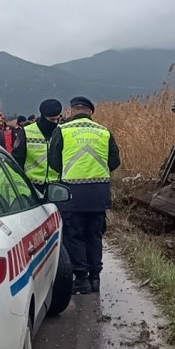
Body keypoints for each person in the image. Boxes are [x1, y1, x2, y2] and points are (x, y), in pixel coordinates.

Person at [47, 96, 120, 295]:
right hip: (99, 194)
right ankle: (95, 278)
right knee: (94, 236)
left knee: (74, 236)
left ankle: (81, 279)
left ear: (72, 111)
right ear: (91, 112)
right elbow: (114, 162)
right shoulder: (104, 132)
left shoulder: (62, 130)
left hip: (72, 194)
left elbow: (54, 161)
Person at [12, 99, 63, 194]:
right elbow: (17, 160)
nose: (55, 122)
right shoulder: (27, 132)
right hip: (31, 187)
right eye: (52, 120)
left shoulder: (62, 131)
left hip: (56, 187)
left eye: (57, 119)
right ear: (43, 117)